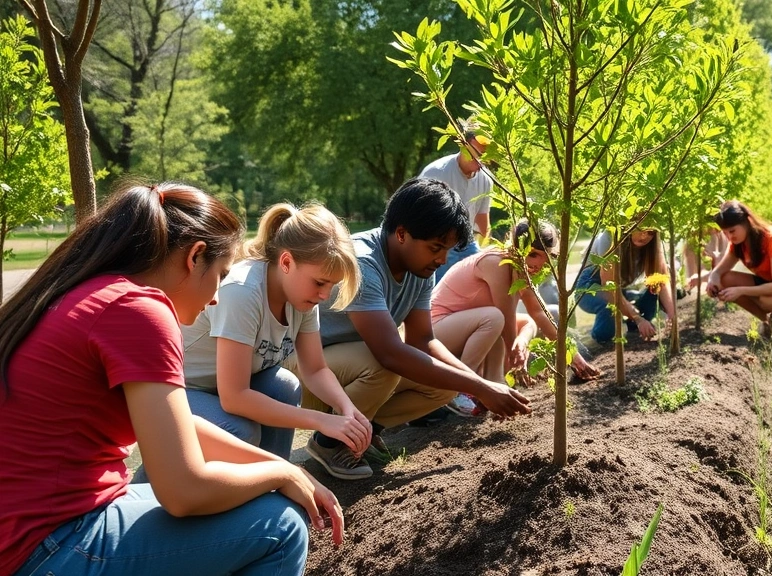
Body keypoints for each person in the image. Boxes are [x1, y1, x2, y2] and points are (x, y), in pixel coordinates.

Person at [0, 183, 343, 576]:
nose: (216, 297)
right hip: (49, 545)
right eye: (221, 273)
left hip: (31, 531)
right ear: (195, 256)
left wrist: (289, 471)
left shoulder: (87, 291)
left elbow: (183, 426)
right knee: (280, 526)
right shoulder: (139, 310)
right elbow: (182, 492)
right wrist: (281, 473)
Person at [302, 178, 532, 479]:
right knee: (387, 365)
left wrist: (472, 382)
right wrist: (481, 387)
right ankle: (330, 442)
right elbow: (389, 353)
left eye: (447, 249)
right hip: (307, 371)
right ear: (401, 234)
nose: (442, 259)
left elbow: (424, 340)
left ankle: (365, 431)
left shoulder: (420, 269)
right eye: (436, 247)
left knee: (445, 384)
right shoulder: (363, 263)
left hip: (349, 367)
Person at [180, 203, 371, 466]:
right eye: (319, 282)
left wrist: (347, 410)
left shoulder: (302, 298)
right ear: (286, 262)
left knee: (283, 386)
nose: (325, 295)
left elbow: (315, 369)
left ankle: (273, 483)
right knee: (240, 431)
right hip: (182, 390)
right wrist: (321, 420)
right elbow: (234, 396)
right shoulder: (243, 292)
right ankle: (155, 485)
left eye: (332, 285)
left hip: (223, 388)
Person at [431, 218, 601, 411]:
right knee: (495, 319)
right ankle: (460, 389)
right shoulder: (496, 262)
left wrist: (573, 357)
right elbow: (504, 316)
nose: (539, 263)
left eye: (546, 256)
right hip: (435, 331)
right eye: (533, 254)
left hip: (467, 328)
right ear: (518, 247)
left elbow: (539, 313)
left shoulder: (521, 270)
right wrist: (515, 355)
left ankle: (495, 388)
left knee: (525, 321)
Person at [705, 200, 772, 348]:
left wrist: (740, 291)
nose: (729, 237)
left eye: (732, 231)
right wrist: (713, 278)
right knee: (725, 279)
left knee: (767, 300)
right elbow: (720, 271)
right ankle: (766, 321)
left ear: (747, 222)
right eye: (725, 233)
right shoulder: (738, 244)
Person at [576, 224, 677, 344]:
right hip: (590, 287)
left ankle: (632, 319)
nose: (644, 235)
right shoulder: (610, 236)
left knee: (654, 288)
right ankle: (600, 337)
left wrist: (672, 315)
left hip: (620, 290)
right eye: (640, 228)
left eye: (650, 232)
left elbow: (661, 280)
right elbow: (608, 286)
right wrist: (638, 318)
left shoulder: (652, 247)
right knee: (609, 309)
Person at [419, 118, 493, 280]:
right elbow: (419, 218)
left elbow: (483, 224)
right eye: (477, 153)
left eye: (486, 154)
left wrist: (487, 251)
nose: (481, 159)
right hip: (436, 242)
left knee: (485, 272)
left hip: (466, 243)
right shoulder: (436, 173)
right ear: (463, 144)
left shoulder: (486, 179)